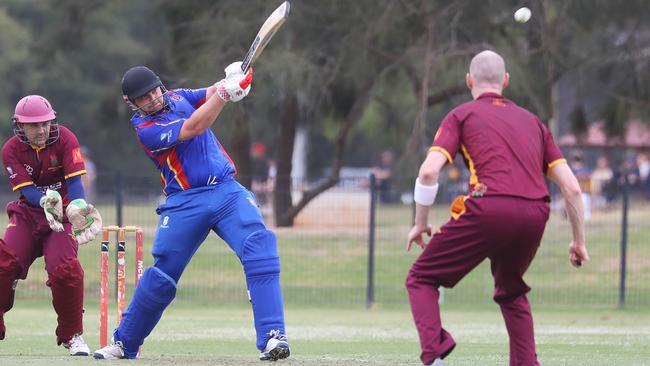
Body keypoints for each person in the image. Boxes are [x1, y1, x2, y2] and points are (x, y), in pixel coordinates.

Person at [93, 63, 289, 361]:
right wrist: (224, 94)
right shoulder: (146, 129)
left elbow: (208, 93)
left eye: (154, 92)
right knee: (162, 276)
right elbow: (195, 126)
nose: (153, 99)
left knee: (259, 249)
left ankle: (273, 337)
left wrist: (232, 80)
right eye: (143, 98)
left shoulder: (176, 96)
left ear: (160, 85)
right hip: (185, 201)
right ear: (130, 103)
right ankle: (125, 343)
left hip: (226, 191)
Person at [405, 50, 589, 366]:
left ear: (469, 81)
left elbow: (428, 172)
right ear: (505, 81)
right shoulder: (534, 122)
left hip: (489, 208)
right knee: (511, 290)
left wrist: (420, 222)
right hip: (535, 214)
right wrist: (578, 241)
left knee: (420, 278)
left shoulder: (460, 115)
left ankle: (434, 356)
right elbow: (571, 187)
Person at [0, 95, 103, 355]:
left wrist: (78, 206)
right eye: (34, 125)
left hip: (64, 215)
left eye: (46, 123)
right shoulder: (10, 150)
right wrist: (46, 200)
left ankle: (73, 336)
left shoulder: (66, 138)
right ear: (20, 126)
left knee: (65, 271)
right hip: (30, 213)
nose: (42, 129)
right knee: (3, 263)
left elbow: (76, 182)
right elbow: (27, 191)